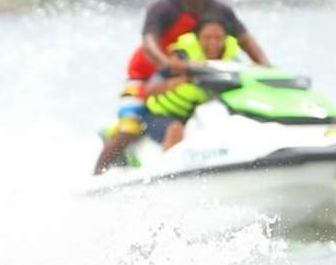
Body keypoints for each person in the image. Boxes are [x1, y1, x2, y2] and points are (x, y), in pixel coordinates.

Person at [106, 0, 271, 170]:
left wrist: (266, 69)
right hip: (146, 75)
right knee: (129, 127)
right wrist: (168, 63)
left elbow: (246, 42)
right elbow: (149, 43)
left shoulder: (219, 10)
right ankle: (98, 175)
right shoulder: (164, 8)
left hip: (194, 75)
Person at [94, 18, 240, 172]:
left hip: (189, 115)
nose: (213, 43)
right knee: (130, 129)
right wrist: (179, 80)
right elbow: (150, 87)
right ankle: (99, 173)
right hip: (155, 110)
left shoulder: (231, 62)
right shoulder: (180, 58)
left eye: (218, 38)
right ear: (198, 37)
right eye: (207, 37)